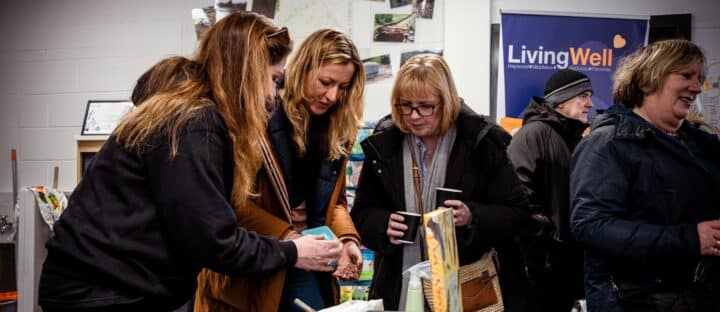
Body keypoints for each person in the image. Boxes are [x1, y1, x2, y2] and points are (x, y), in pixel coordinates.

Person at [38, 12, 342, 312]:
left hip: (108, 284)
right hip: (103, 290)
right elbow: (212, 240)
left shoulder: (186, 112)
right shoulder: (195, 122)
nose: (271, 95)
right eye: (273, 79)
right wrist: (291, 251)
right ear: (246, 72)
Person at [194, 29, 365, 312]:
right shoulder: (257, 116)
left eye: (343, 87)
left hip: (310, 259)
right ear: (301, 70)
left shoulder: (337, 128)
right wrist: (290, 238)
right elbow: (231, 202)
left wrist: (347, 239)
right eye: (325, 82)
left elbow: (334, 203)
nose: (333, 96)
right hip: (252, 265)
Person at [350, 54, 532, 311]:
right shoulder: (385, 145)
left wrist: (472, 216)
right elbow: (361, 213)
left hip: (468, 287)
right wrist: (383, 225)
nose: (414, 116)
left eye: (425, 106)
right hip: (398, 286)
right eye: (405, 105)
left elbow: (519, 214)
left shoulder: (480, 143)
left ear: (445, 103)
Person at [570, 39, 720, 311]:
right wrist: (691, 238)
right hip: (637, 301)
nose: (697, 87)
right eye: (686, 75)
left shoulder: (698, 143)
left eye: (699, 78)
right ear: (652, 77)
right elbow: (591, 226)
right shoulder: (608, 143)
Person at [507, 68, 593, 312]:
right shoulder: (533, 134)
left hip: (567, 260)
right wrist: (547, 238)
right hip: (543, 262)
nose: (590, 103)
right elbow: (518, 195)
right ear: (562, 101)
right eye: (584, 96)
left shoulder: (575, 138)